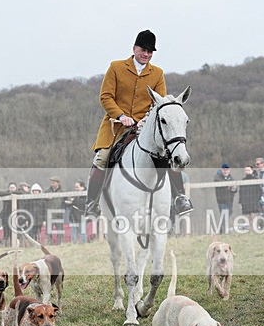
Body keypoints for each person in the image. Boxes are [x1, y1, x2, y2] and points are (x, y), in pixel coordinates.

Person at [83, 29, 193, 217]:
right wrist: (121, 116)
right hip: (116, 127)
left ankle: (179, 197)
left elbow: (160, 104)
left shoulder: (157, 73)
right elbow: (106, 96)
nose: (146, 54)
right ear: (134, 48)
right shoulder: (116, 67)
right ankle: (91, 203)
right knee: (102, 158)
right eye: (143, 50)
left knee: (168, 153)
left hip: (145, 126)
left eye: (150, 52)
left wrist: (144, 120)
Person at [213, 163, 237, 234]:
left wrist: (234, 189)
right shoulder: (218, 177)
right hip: (222, 201)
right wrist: (229, 185)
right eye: (224, 170)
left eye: (227, 170)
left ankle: (221, 230)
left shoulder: (230, 177)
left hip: (230, 200)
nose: (226, 171)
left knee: (229, 213)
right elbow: (221, 184)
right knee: (224, 215)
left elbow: (234, 187)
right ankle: (223, 230)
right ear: (222, 170)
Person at [238, 165, 262, 230]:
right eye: (246, 170)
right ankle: (249, 231)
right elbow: (240, 192)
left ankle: (255, 230)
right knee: (247, 219)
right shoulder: (243, 180)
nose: (247, 171)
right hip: (245, 202)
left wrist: (257, 199)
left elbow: (260, 191)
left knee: (254, 217)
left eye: (248, 170)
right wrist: (241, 202)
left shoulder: (256, 180)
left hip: (254, 202)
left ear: (252, 170)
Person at [64, 180, 87, 244]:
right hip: (73, 216)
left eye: (77, 187)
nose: (76, 189)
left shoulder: (86, 194)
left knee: (82, 231)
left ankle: (83, 244)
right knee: (73, 231)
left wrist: (73, 201)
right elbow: (72, 204)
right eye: (75, 187)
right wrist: (68, 203)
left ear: (82, 187)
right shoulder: (75, 195)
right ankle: (73, 243)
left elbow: (83, 204)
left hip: (82, 216)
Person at [46, 176, 65, 244]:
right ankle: (49, 244)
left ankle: (60, 244)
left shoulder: (63, 192)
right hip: (49, 215)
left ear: (58, 183)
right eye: (51, 183)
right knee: (49, 232)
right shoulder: (47, 192)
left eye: (53, 183)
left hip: (59, 215)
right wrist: (46, 198)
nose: (51, 184)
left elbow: (65, 202)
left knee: (60, 231)